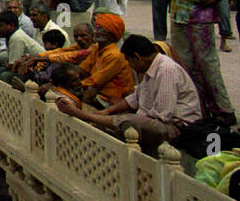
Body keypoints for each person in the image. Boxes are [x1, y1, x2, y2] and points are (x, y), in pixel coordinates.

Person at [56, 35, 201, 154]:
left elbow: (162, 115)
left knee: (130, 121)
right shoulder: (149, 70)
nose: (130, 66)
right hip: (154, 120)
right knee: (117, 114)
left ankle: (84, 115)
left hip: (175, 127)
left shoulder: (166, 70)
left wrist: (124, 117)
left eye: (130, 61)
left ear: (137, 57)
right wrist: (107, 112)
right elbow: (135, 98)